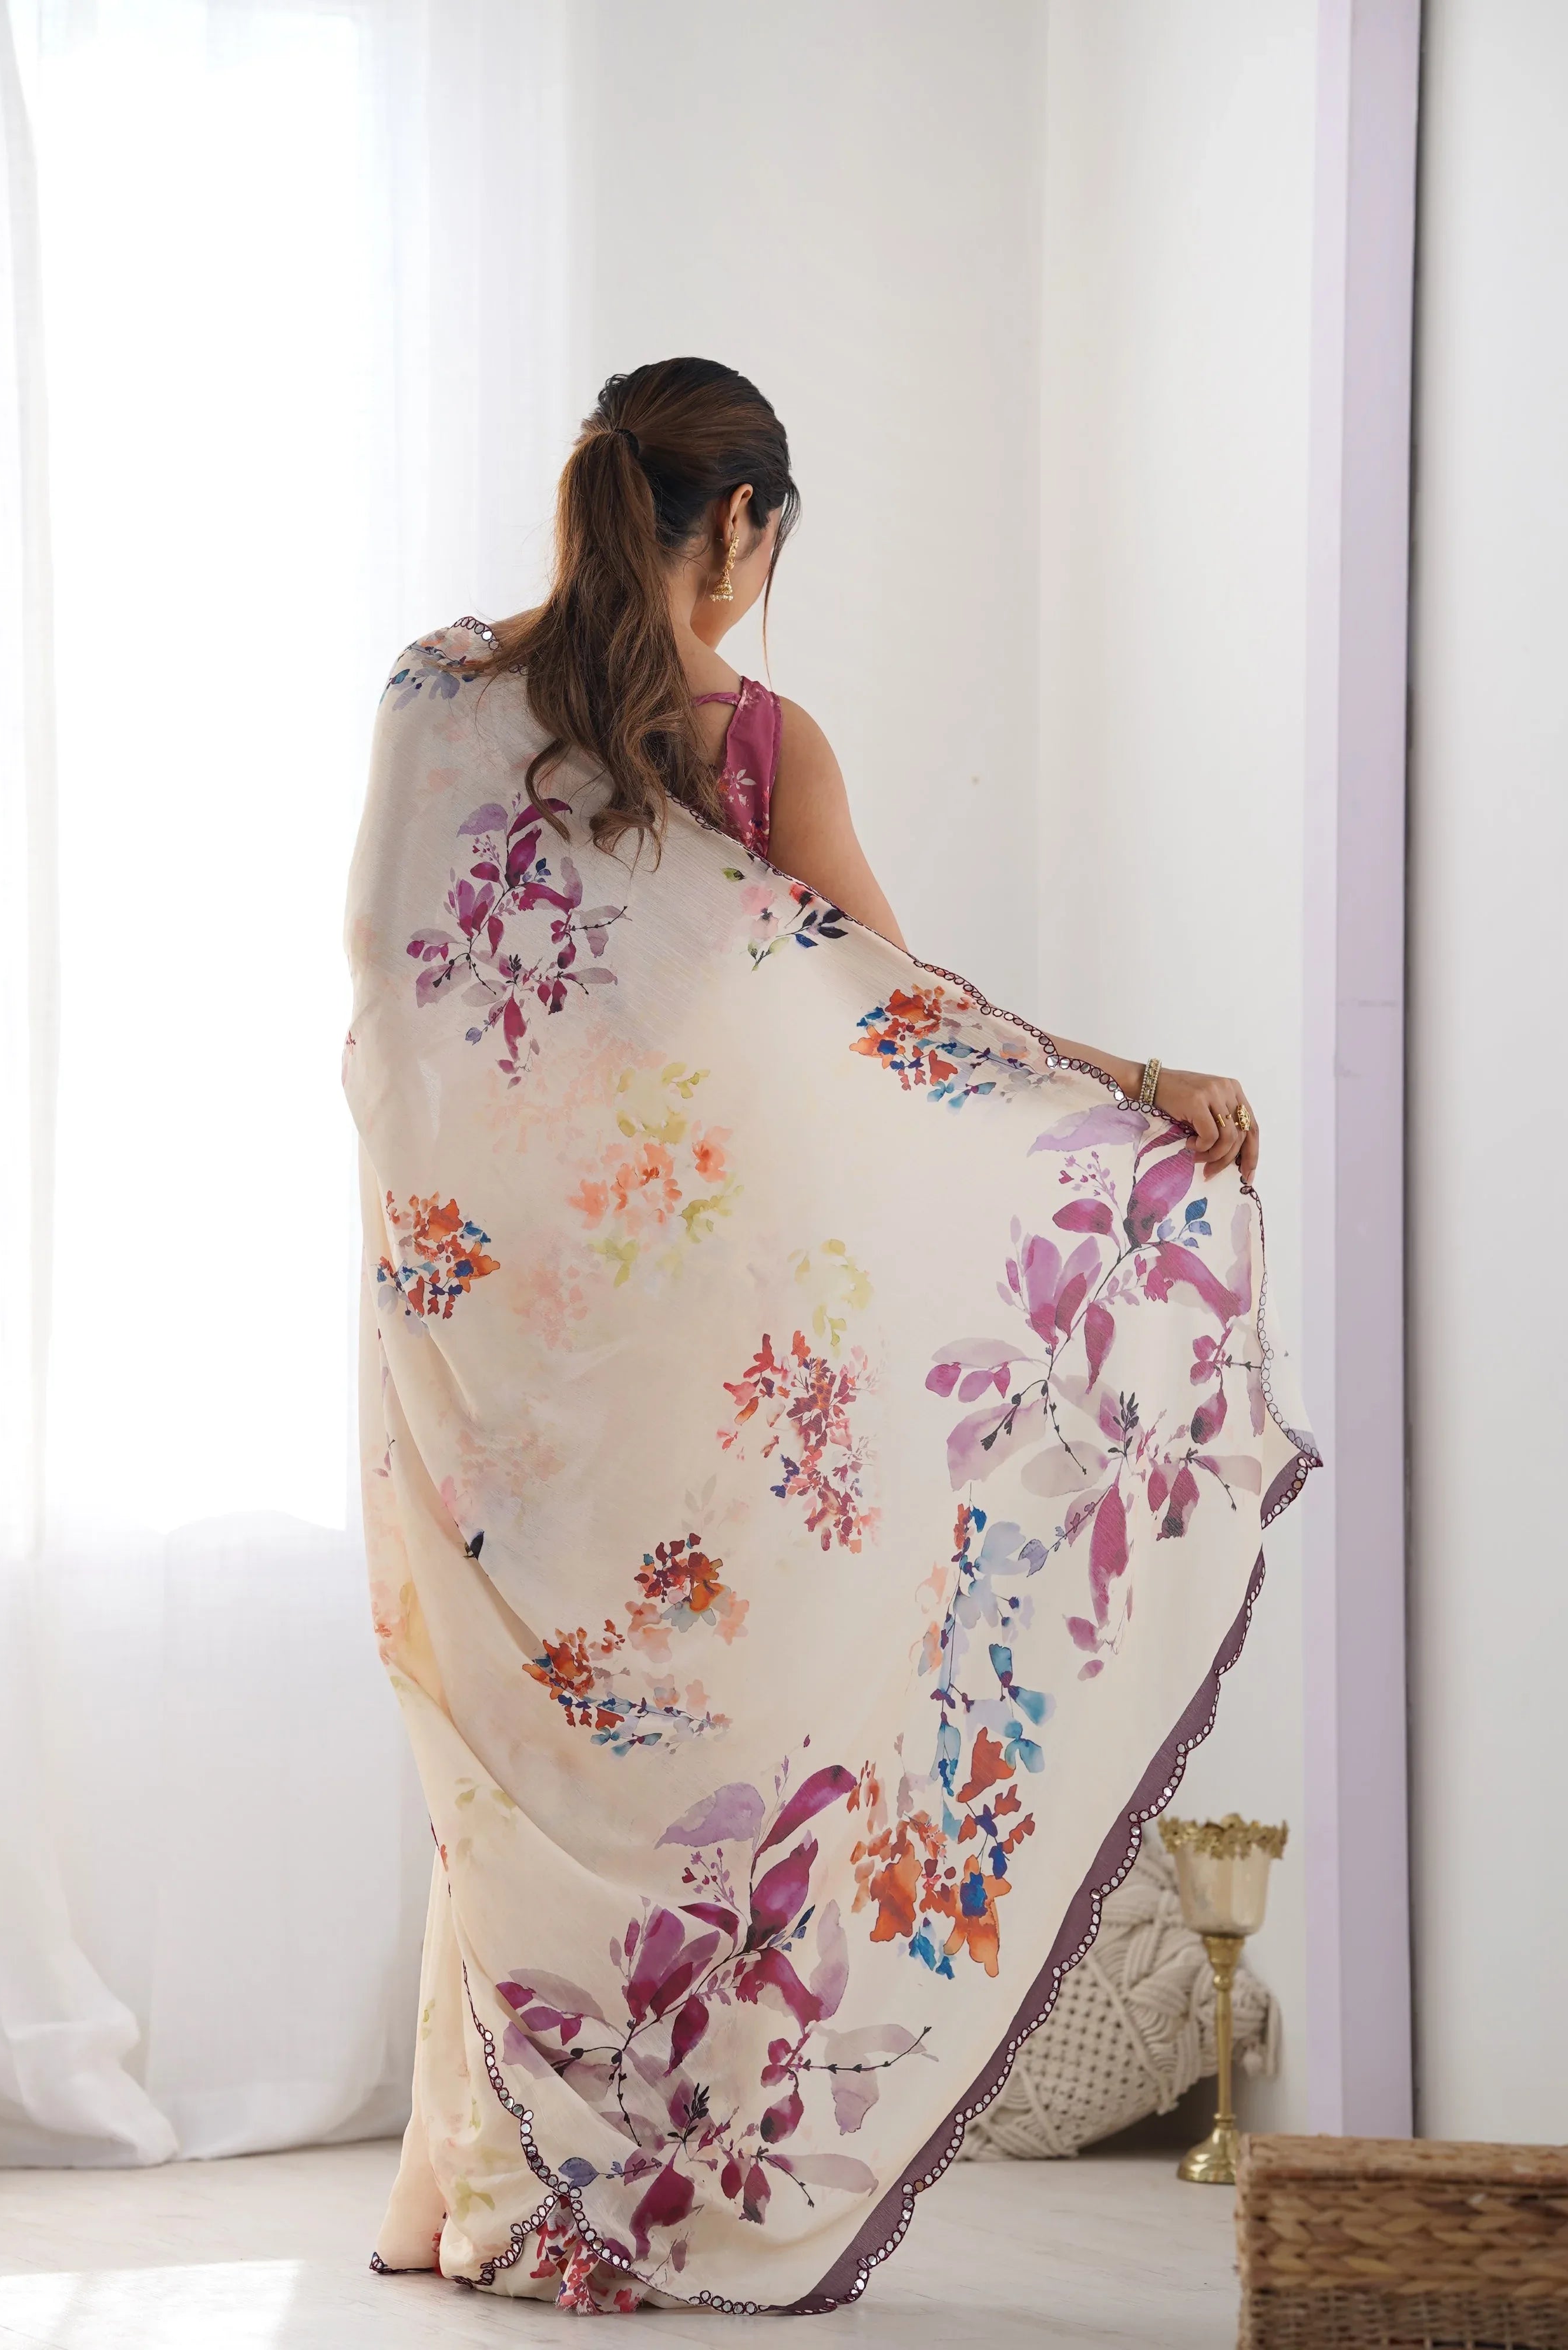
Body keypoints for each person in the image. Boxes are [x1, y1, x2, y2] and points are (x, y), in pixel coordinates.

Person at [344, 357, 1315, 2314]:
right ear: (743, 523)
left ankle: (480, 2189)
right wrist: (1135, 1090)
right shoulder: (759, 749)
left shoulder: (439, 701)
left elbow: (389, 990)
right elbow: (908, 1018)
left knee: (528, 1758)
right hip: (716, 1359)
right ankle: (623, 2193)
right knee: (702, 1767)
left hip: (505, 1353)